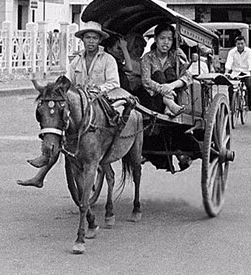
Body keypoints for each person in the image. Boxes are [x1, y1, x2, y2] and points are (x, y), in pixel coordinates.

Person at [18, 21, 119, 188]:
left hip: (100, 102)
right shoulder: (76, 61)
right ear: (83, 40)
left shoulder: (108, 60)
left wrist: (97, 90)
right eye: (88, 37)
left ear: (99, 40)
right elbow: (66, 82)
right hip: (79, 103)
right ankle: (41, 172)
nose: (91, 41)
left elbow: (114, 83)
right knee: (56, 124)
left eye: (94, 38)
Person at [139, 22, 190, 116]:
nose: (166, 42)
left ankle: (169, 105)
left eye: (169, 39)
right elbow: (146, 80)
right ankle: (169, 104)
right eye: (162, 38)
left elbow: (187, 76)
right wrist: (164, 89)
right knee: (158, 74)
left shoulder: (175, 56)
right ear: (155, 39)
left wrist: (171, 86)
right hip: (153, 99)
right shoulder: (148, 57)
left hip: (175, 95)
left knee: (169, 72)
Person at [225, 35, 251, 111]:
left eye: (242, 43)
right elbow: (229, 62)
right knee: (231, 88)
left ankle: (249, 102)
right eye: (238, 44)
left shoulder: (249, 52)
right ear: (236, 44)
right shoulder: (232, 52)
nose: (240, 45)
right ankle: (231, 104)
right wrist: (226, 72)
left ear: (245, 44)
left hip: (247, 72)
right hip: (235, 72)